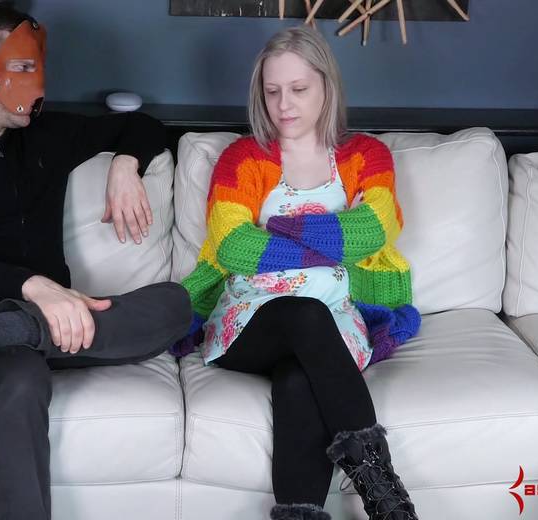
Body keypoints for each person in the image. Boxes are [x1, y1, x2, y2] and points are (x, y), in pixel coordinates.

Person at [0, 2, 191, 519]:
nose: (39, 82)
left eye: (38, 66)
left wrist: (125, 164)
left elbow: (144, 126)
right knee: (20, 375)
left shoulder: (45, 135)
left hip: (46, 316)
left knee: (176, 306)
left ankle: (11, 330)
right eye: (24, 66)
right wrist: (36, 287)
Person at [180, 26, 421, 520]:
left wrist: (281, 229)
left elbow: (376, 229)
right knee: (304, 312)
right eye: (272, 91)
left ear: (326, 87)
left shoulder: (366, 155)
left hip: (336, 325)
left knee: (297, 381)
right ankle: (389, 500)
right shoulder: (242, 159)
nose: (283, 105)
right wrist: (332, 239)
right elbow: (233, 246)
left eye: (298, 89)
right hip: (252, 323)